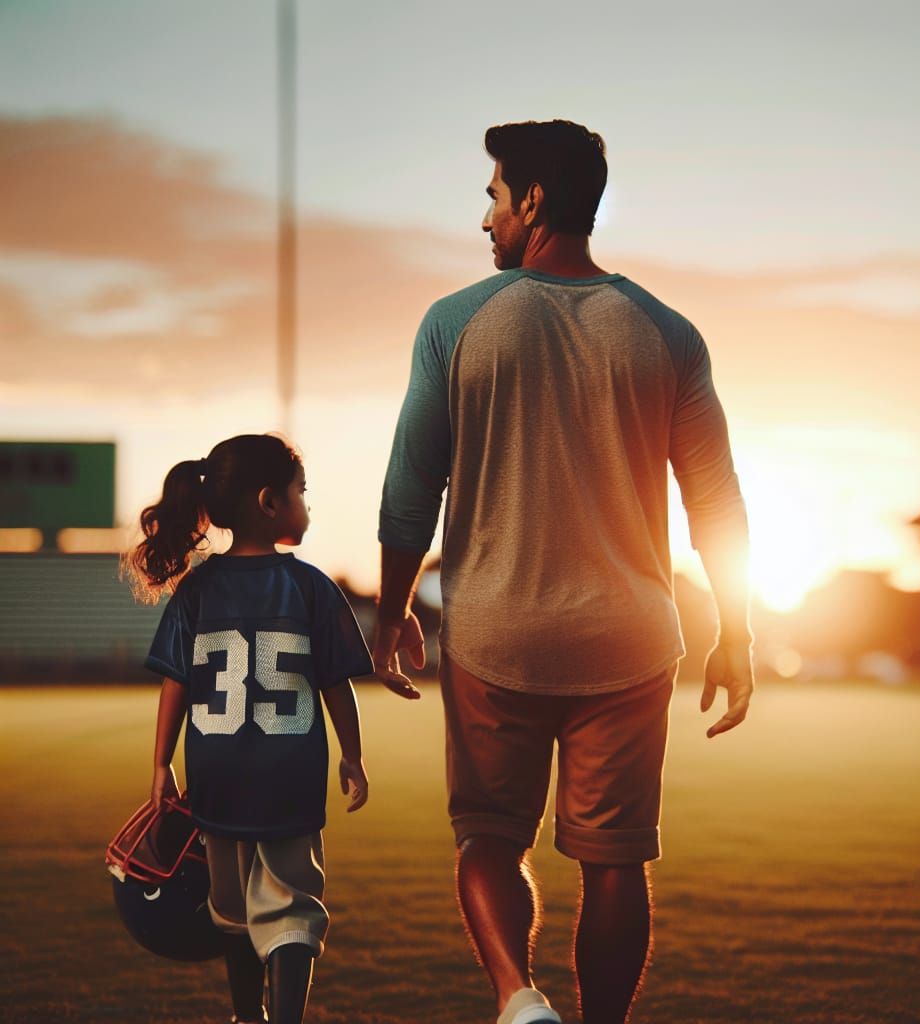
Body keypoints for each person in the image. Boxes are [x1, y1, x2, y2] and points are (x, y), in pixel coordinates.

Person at [375, 120, 754, 1024]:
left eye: (494, 198)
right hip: (628, 640)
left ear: (533, 202)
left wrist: (391, 615)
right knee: (615, 859)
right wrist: (737, 632)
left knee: (488, 841)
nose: (486, 220)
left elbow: (407, 492)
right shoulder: (667, 332)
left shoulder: (456, 323)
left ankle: (517, 998)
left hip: (494, 633)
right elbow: (718, 505)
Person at [124, 433, 374, 1024]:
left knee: (230, 910)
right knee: (291, 911)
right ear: (269, 502)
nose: (307, 505)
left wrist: (162, 763)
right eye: (301, 493)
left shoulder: (198, 590)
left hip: (217, 779)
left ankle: (246, 1016)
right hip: (287, 777)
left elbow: (175, 686)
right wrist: (352, 756)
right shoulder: (311, 586)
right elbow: (337, 683)